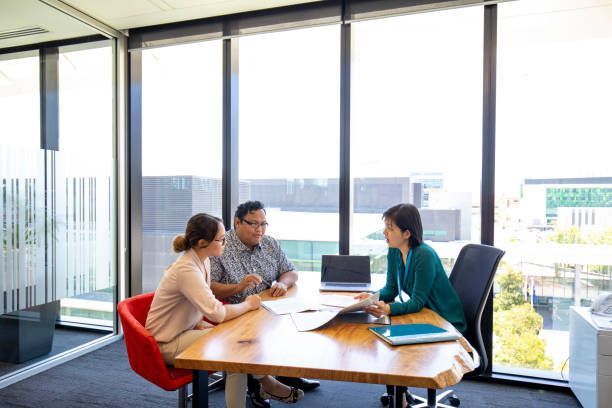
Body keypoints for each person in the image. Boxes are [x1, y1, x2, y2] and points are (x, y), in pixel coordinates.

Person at [145, 213, 303, 408]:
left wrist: (203, 321)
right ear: (203, 242)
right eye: (221, 239)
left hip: (184, 331)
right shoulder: (186, 269)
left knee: (237, 350)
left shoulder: (203, 260)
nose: (226, 243)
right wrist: (248, 304)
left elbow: (197, 305)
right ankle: (267, 383)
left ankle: (265, 384)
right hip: (166, 343)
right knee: (236, 350)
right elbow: (217, 313)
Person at [356, 203, 467, 408]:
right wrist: (373, 298)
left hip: (443, 320)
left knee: (390, 340)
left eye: (390, 228)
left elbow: (417, 302)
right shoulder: (394, 251)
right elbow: (391, 289)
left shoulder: (424, 255)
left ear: (406, 233)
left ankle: (401, 398)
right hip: (424, 315)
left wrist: (388, 309)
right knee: (384, 335)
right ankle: (400, 396)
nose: (384, 232)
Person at [210, 201, 320, 407]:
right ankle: (259, 387)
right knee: (259, 335)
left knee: (301, 325)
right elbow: (211, 286)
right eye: (253, 224)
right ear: (237, 222)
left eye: (263, 224)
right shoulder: (222, 246)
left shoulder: (270, 243)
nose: (260, 229)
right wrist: (238, 287)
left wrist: (283, 283)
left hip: (272, 306)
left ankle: (286, 376)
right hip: (238, 310)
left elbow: (291, 271)